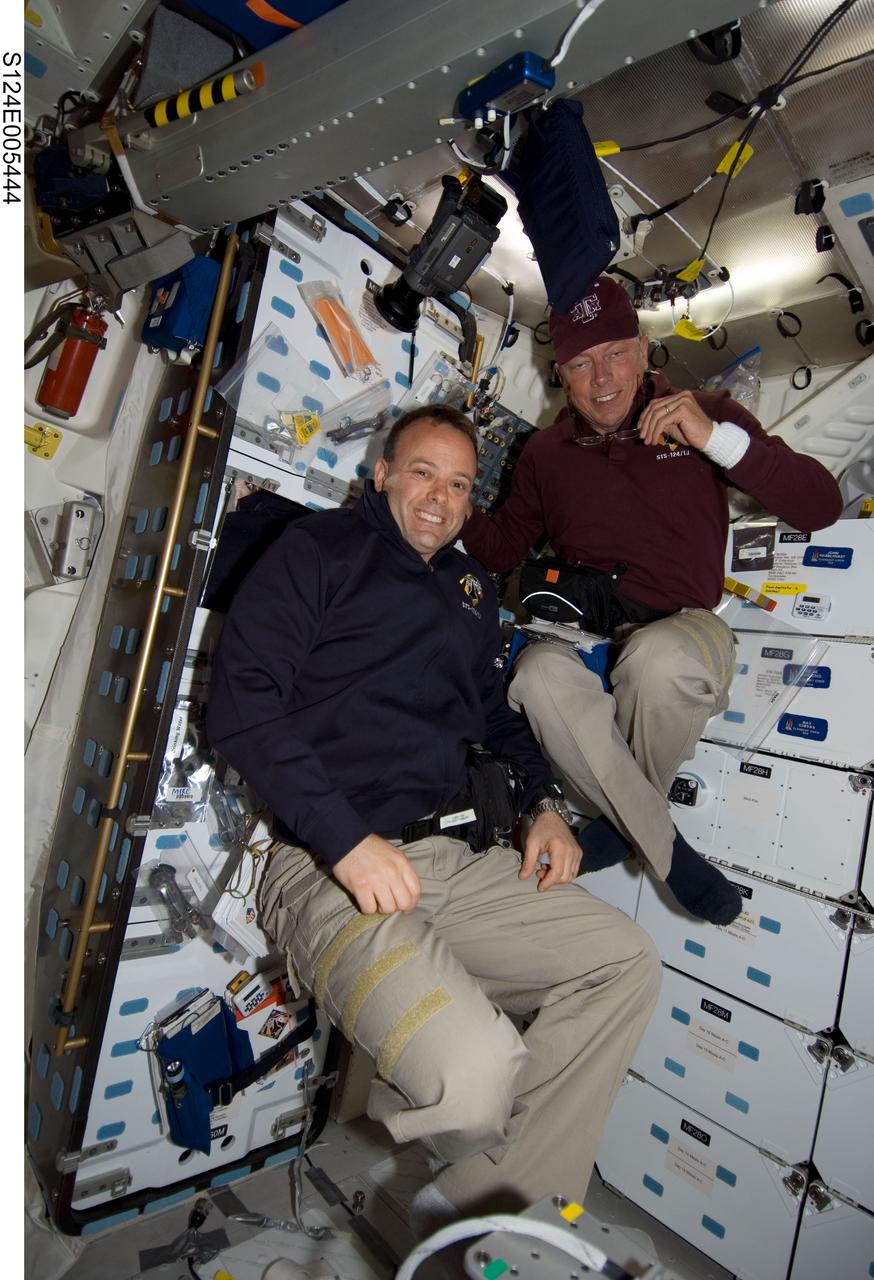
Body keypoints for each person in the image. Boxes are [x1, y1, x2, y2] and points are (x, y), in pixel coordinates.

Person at [207, 404, 661, 1226]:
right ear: (379, 475)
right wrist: (345, 841)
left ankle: (497, 1216)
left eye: (458, 485)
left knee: (625, 961)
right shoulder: (315, 552)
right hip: (326, 863)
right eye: (422, 472)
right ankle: (460, 1112)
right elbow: (242, 709)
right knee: (477, 1078)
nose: (438, 498)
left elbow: (495, 719)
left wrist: (546, 806)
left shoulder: (472, 589)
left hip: (457, 857)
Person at [462, 276, 844, 926]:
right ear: (561, 372)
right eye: (580, 363)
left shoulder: (707, 415)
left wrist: (713, 439)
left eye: (614, 353)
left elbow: (822, 505)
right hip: (584, 645)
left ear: (645, 351)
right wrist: (442, 504)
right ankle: (649, 831)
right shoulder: (546, 453)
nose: (601, 377)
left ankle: (632, 824)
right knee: (534, 674)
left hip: (684, 633)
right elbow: (501, 548)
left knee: (656, 659)